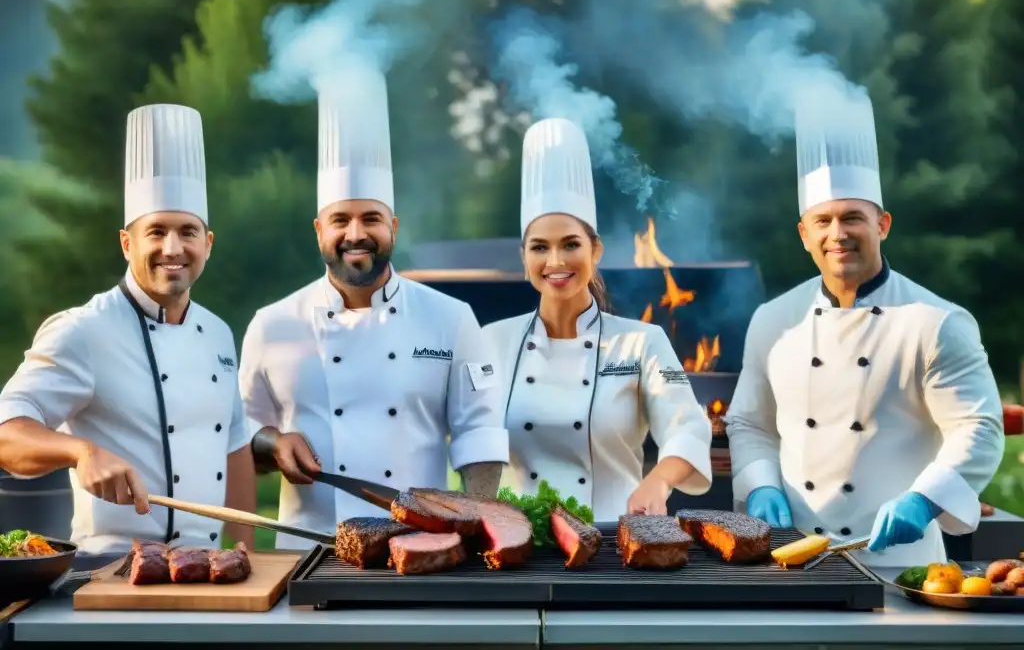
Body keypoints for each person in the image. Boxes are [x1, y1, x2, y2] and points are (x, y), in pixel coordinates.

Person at [725, 85, 1005, 567]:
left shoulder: (936, 322)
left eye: (853, 217)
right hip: (788, 558)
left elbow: (979, 428)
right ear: (804, 234)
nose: (839, 234)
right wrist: (760, 484)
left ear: (883, 225)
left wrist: (925, 499)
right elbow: (750, 423)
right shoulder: (773, 319)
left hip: (900, 562)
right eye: (824, 221)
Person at [238, 66, 510, 550]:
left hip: (422, 545)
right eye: (340, 219)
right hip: (309, 548)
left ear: (394, 227)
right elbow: (240, 437)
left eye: (372, 219)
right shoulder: (271, 324)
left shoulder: (452, 318)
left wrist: (477, 528)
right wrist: (273, 443)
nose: (356, 234)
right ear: (319, 230)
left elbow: (480, 433)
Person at [0, 104, 256, 554]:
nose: (172, 248)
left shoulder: (218, 333)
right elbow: (6, 433)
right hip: (112, 570)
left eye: (187, 232)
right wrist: (80, 451)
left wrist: (245, 552)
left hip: (210, 572)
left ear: (208, 244)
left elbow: (233, 446)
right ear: (126, 243)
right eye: (155, 231)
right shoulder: (83, 330)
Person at [482, 117, 713, 523]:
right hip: (522, 543)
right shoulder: (491, 341)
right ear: (524, 259)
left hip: (616, 537)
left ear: (596, 251)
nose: (555, 261)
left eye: (571, 244)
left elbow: (688, 427)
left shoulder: (643, 342)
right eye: (540, 247)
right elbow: (456, 429)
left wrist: (658, 481)